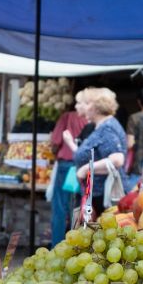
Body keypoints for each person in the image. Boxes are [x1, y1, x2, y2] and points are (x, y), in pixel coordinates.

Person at [71, 87, 129, 212]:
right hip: (98, 196)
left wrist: (86, 169)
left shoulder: (107, 128)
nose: (84, 107)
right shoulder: (103, 126)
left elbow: (118, 159)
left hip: (103, 199)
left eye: (87, 103)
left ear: (96, 107)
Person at [47, 98, 91, 246]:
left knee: (60, 207)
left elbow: (55, 141)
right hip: (84, 167)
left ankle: (57, 247)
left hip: (66, 165)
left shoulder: (67, 117)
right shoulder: (91, 118)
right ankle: (76, 247)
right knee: (80, 208)